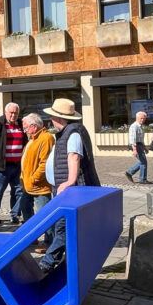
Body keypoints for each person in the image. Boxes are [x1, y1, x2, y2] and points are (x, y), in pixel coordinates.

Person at [40, 98, 100, 272]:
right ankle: (69, 262)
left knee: (63, 226)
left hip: (70, 189)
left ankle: (48, 262)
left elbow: (74, 156)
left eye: (52, 116)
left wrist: (70, 181)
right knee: (64, 226)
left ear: (58, 118)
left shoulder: (72, 133)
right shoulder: (66, 132)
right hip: (63, 187)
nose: (51, 120)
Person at [0, 102, 27, 224]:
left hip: (18, 165)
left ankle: (15, 214)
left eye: (16, 113)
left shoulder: (21, 124)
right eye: (11, 113)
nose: (13, 115)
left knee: (19, 190)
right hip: (2, 165)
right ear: (5, 112)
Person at [19, 113, 55, 252]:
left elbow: (44, 163)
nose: (24, 131)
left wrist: (34, 179)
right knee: (25, 207)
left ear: (34, 126)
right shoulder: (33, 138)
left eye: (26, 128)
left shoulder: (46, 138)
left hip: (40, 186)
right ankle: (32, 237)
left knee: (44, 215)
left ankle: (49, 242)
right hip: (28, 184)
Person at [125, 111, 150, 184]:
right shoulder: (134, 126)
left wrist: (144, 147)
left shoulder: (141, 126)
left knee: (142, 162)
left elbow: (140, 139)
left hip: (140, 145)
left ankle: (129, 172)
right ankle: (142, 179)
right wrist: (134, 149)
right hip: (135, 145)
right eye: (141, 118)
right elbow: (132, 139)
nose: (143, 120)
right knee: (143, 162)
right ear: (137, 118)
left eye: (144, 118)